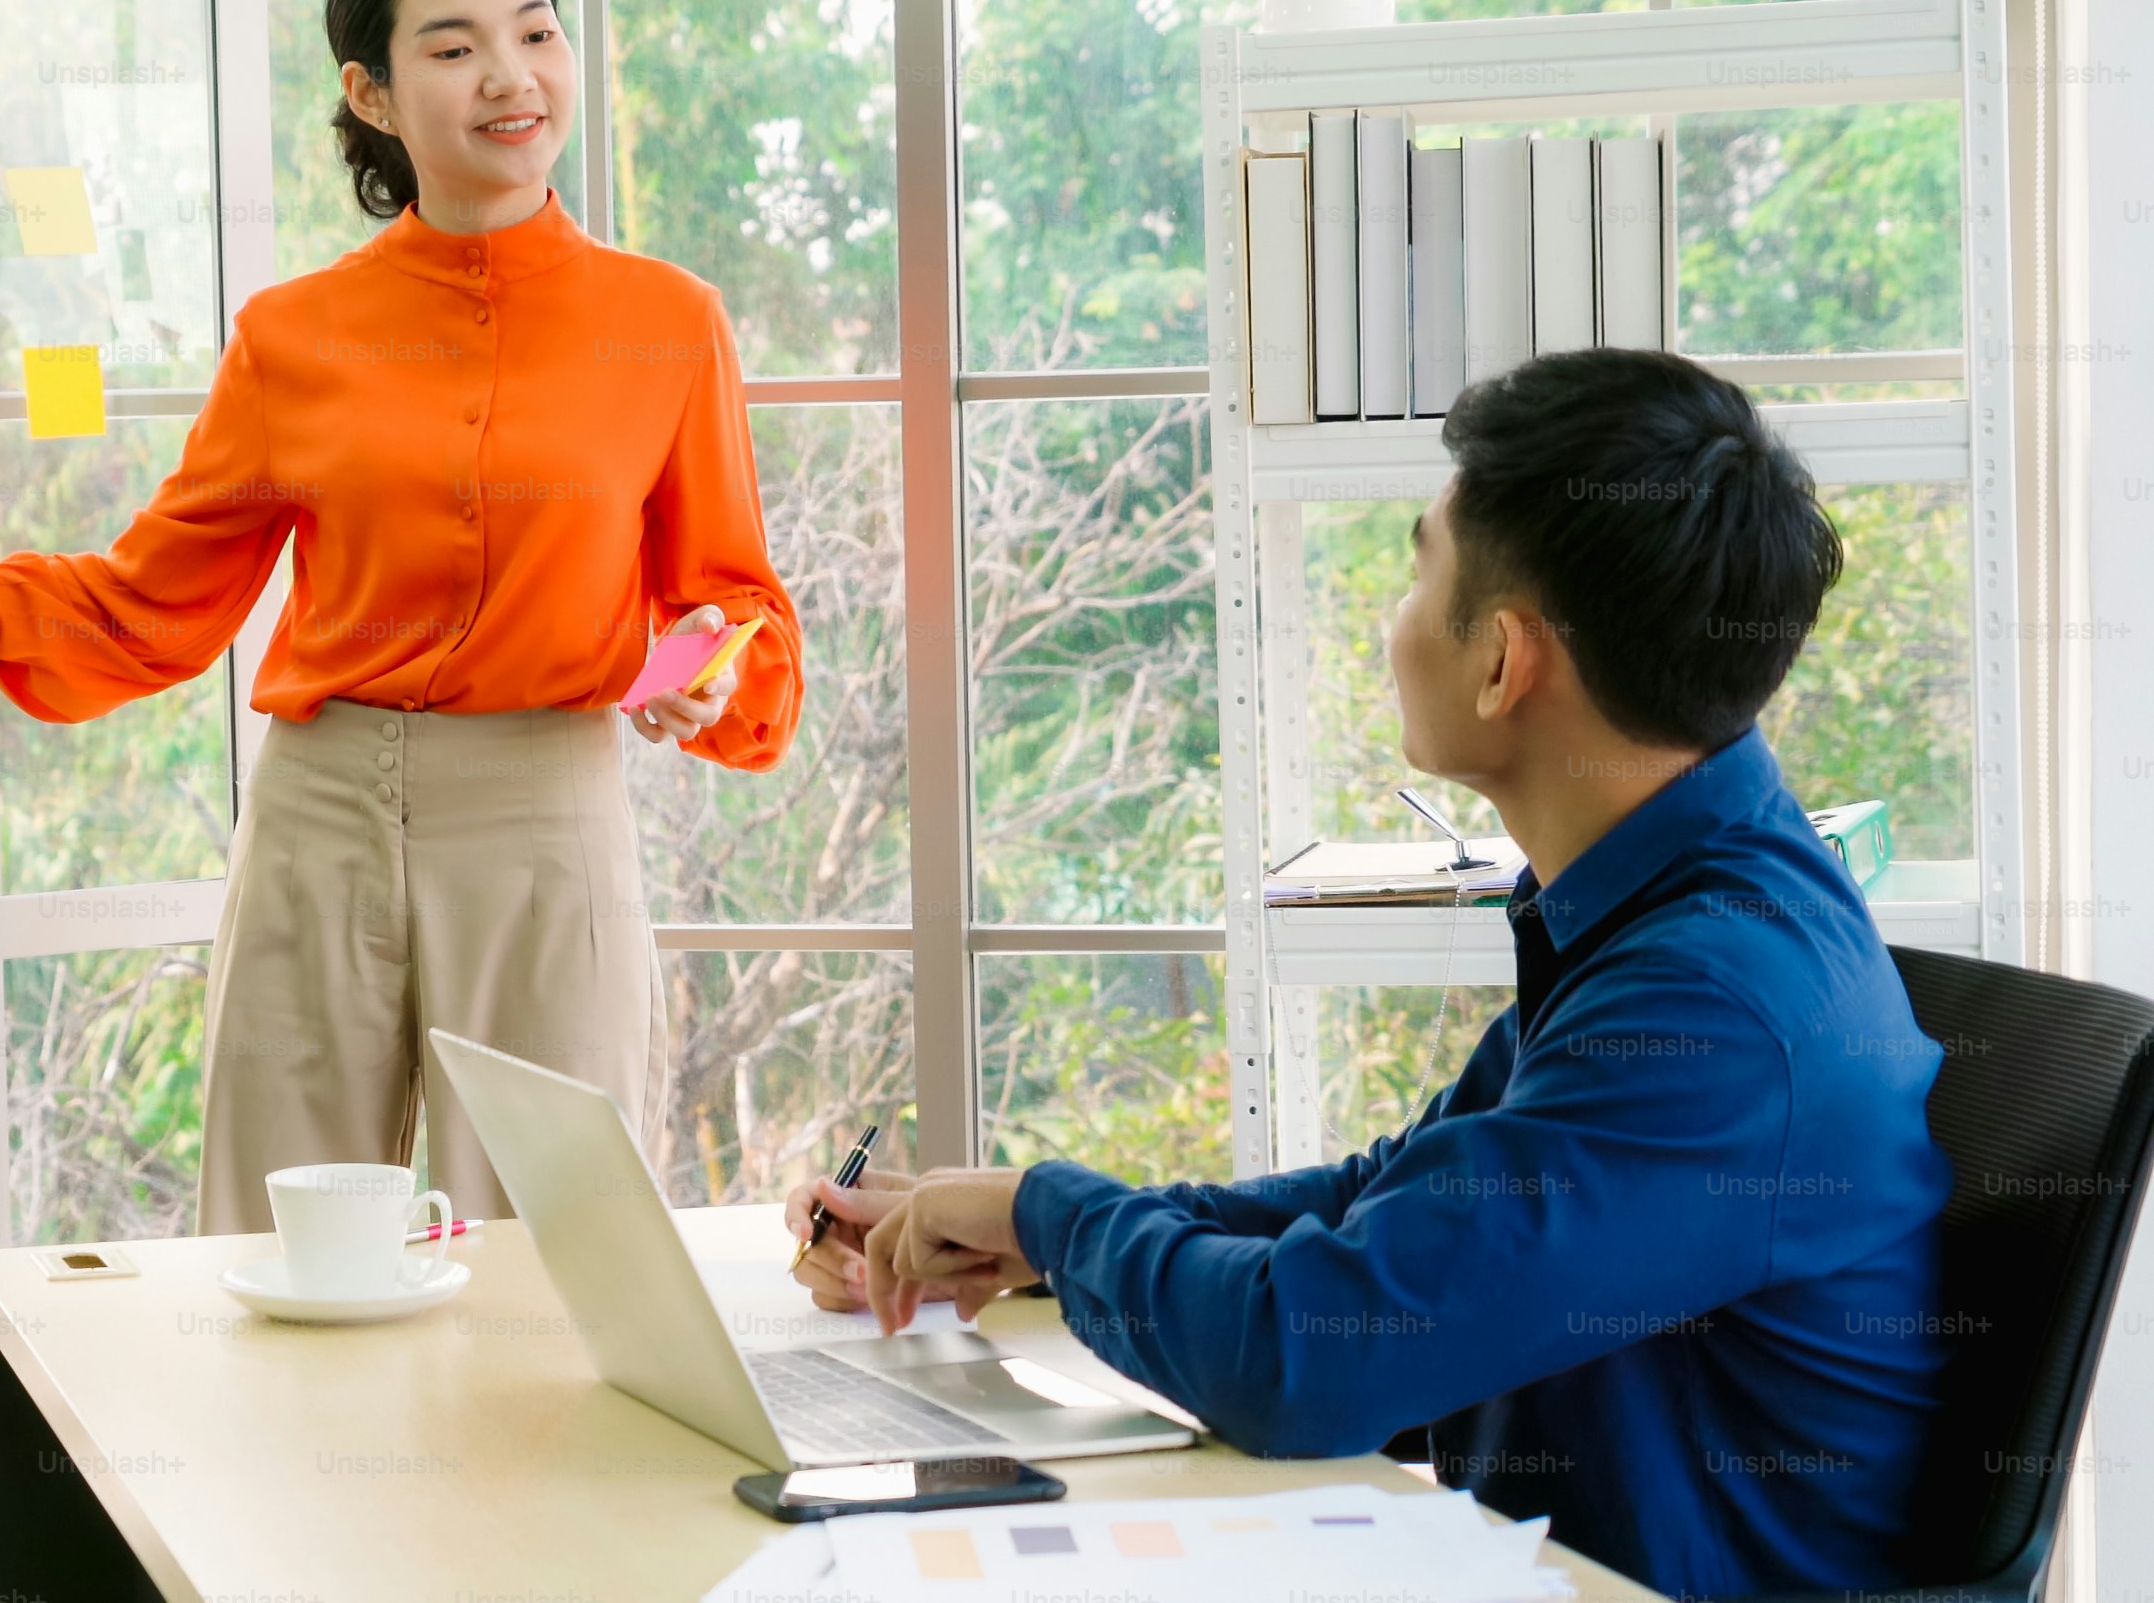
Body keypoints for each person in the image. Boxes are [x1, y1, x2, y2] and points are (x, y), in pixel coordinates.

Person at [790, 349, 1951, 1597]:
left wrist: (1052, 1215)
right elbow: (1383, 1207)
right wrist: (1021, 1233)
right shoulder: (1675, 897)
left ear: (1504, 663)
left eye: (1416, 569)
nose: (1390, 621)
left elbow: (1308, 1357)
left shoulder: (1710, 1014)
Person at [0, 0, 803, 1235]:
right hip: (318, 819)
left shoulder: (668, 323)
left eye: (536, 33)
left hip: (543, 820)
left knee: (549, 1251)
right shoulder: (295, 337)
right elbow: (137, 607)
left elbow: (735, 600)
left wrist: (708, 670)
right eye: (456, 48)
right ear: (373, 93)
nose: (513, 77)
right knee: (278, 1239)